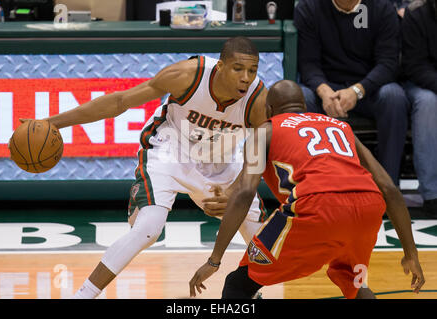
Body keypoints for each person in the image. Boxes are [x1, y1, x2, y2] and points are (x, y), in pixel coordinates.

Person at [24, 37, 270, 298]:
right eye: (238, 69)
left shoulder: (258, 100)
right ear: (220, 66)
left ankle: (248, 294)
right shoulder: (187, 75)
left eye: (252, 71)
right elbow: (120, 102)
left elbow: (259, 154)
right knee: (148, 229)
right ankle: (82, 295)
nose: (246, 78)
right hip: (171, 150)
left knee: (260, 240)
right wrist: (52, 123)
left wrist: (234, 190)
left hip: (222, 162)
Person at [189, 80, 425, 299]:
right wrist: (411, 253)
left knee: (238, 284)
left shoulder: (264, 131)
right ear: (303, 105)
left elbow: (244, 193)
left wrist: (214, 260)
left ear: (270, 110)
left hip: (316, 204)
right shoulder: (341, 126)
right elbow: (389, 188)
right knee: (356, 283)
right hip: (368, 206)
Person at [294, 0, 410, 186]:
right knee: (300, 97)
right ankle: (307, 187)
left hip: (368, 89)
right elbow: (308, 63)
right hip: (326, 88)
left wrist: (357, 91)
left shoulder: (382, 7)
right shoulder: (309, 7)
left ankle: (388, 186)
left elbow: (388, 63)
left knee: (394, 96)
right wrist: (324, 92)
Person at [401, 0, 437, 216]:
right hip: (421, 84)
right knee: (428, 103)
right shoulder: (416, 14)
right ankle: (432, 193)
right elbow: (414, 66)